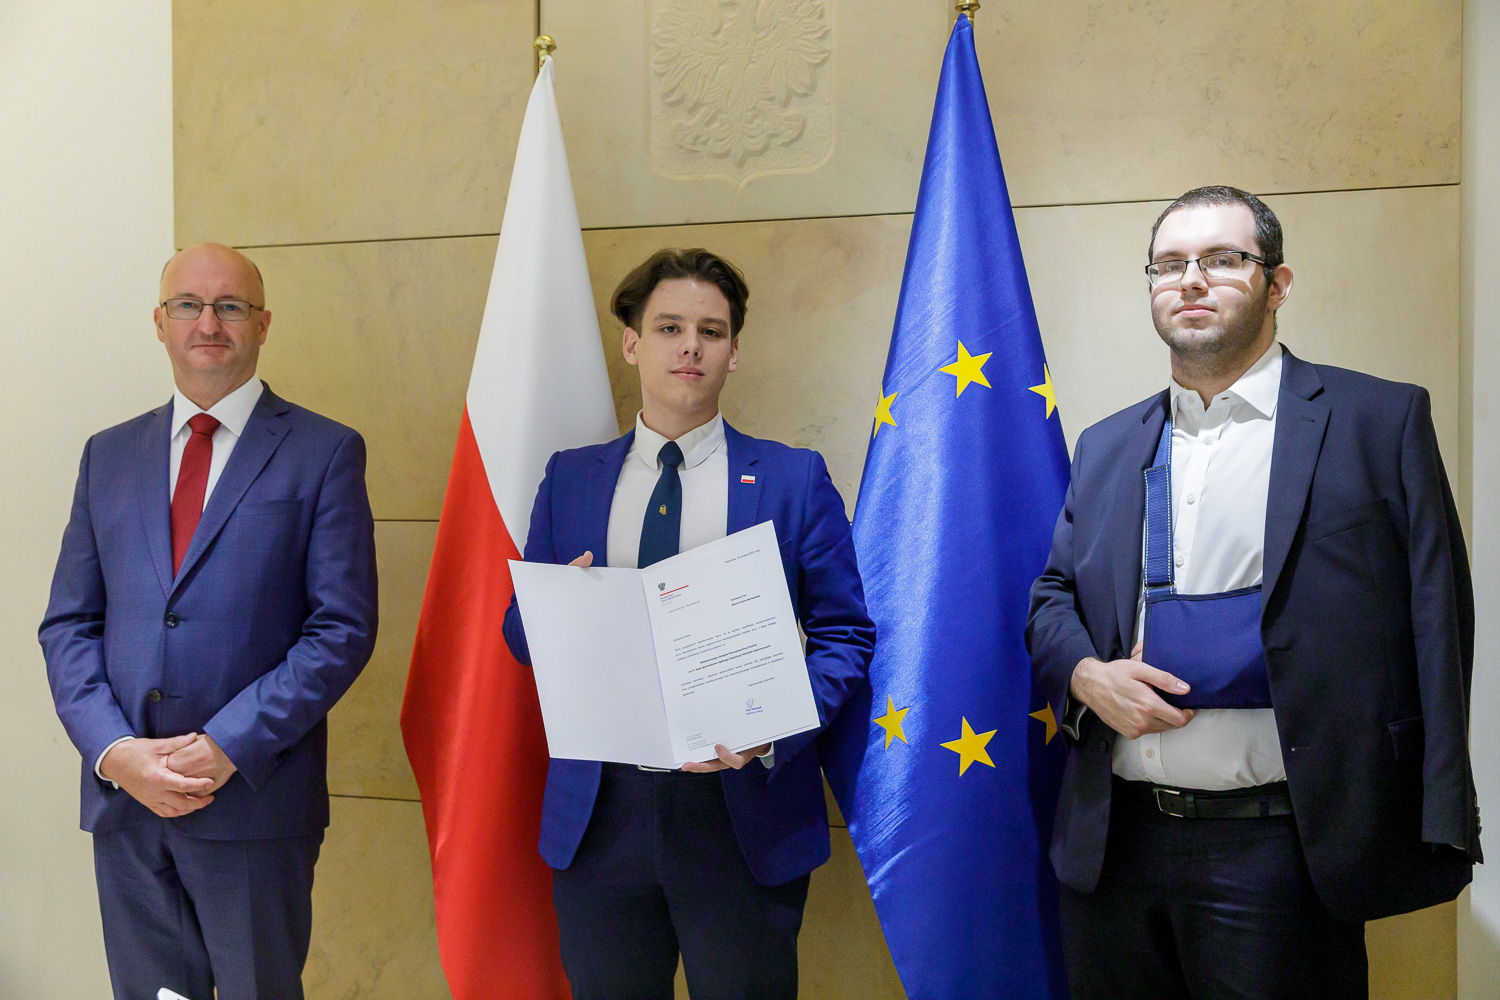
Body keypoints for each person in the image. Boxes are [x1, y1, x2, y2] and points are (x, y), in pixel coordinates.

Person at [1027, 186, 1480, 999]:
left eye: (1223, 259)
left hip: (1284, 853)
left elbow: (1439, 617)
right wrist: (1087, 677)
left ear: (1278, 284)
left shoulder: (1377, 421)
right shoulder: (1106, 445)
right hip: (1114, 848)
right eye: (1170, 264)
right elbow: (1053, 595)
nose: (1191, 279)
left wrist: (1444, 813)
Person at [502, 248, 874, 1000]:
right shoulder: (570, 478)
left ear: (734, 352)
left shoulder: (792, 479)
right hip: (600, 814)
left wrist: (773, 729)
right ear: (632, 343)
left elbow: (846, 635)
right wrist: (558, 610)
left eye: (711, 330)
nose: (691, 346)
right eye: (669, 327)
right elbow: (517, 631)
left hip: (741, 814)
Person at [39, 243, 379, 1000]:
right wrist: (115, 751)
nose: (208, 323)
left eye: (230, 306)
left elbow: (342, 629)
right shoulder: (107, 456)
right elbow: (69, 624)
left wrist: (227, 745)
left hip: (254, 804)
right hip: (128, 806)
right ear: (160, 322)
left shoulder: (324, 452)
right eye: (188, 305)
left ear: (263, 324)